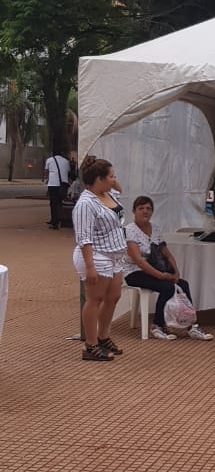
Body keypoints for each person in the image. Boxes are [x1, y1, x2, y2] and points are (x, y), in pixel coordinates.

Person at [124, 196, 213, 341]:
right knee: (167, 287)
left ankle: (191, 326)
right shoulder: (129, 231)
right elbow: (139, 261)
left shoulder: (155, 229)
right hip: (135, 272)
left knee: (183, 284)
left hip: (155, 270)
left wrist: (175, 272)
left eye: (148, 208)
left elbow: (167, 254)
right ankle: (157, 326)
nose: (145, 211)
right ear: (134, 211)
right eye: (141, 208)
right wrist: (161, 276)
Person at [71, 155, 126, 362]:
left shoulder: (108, 193)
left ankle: (103, 337)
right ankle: (90, 344)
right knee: (95, 299)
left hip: (114, 254)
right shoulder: (86, 204)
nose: (114, 179)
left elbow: (120, 190)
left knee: (113, 296)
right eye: (110, 176)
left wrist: (112, 179)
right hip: (97, 254)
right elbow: (84, 238)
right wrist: (90, 266)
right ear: (99, 179)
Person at [44, 150, 71, 230]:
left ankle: (54, 222)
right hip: (63, 184)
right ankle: (58, 219)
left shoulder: (49, 160)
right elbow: (68, 171)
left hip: (53, 184)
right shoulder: (66, 161)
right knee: (60, 203)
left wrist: (47, 179)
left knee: (53, 203)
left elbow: (47, 171)